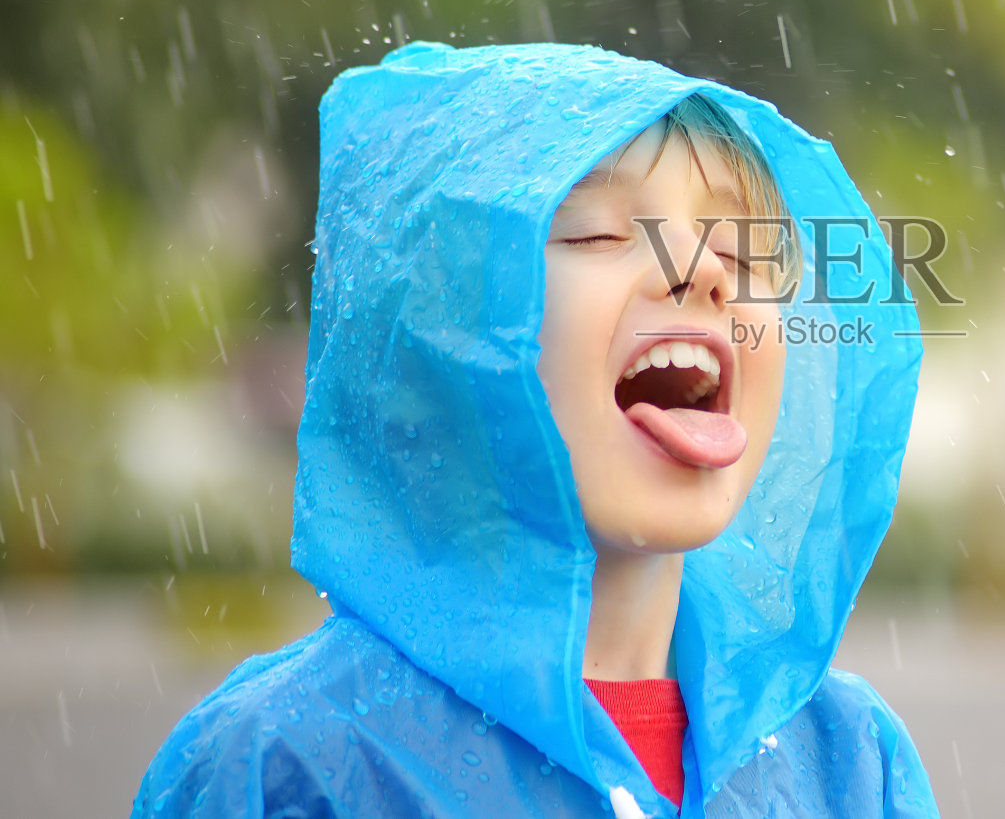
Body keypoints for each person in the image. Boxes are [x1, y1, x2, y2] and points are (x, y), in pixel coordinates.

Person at [131, 41, 940, 817]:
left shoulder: (851, 764)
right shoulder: (286, 767)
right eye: (595, 232)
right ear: (434, 347)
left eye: (744, 252)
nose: (706, 271)